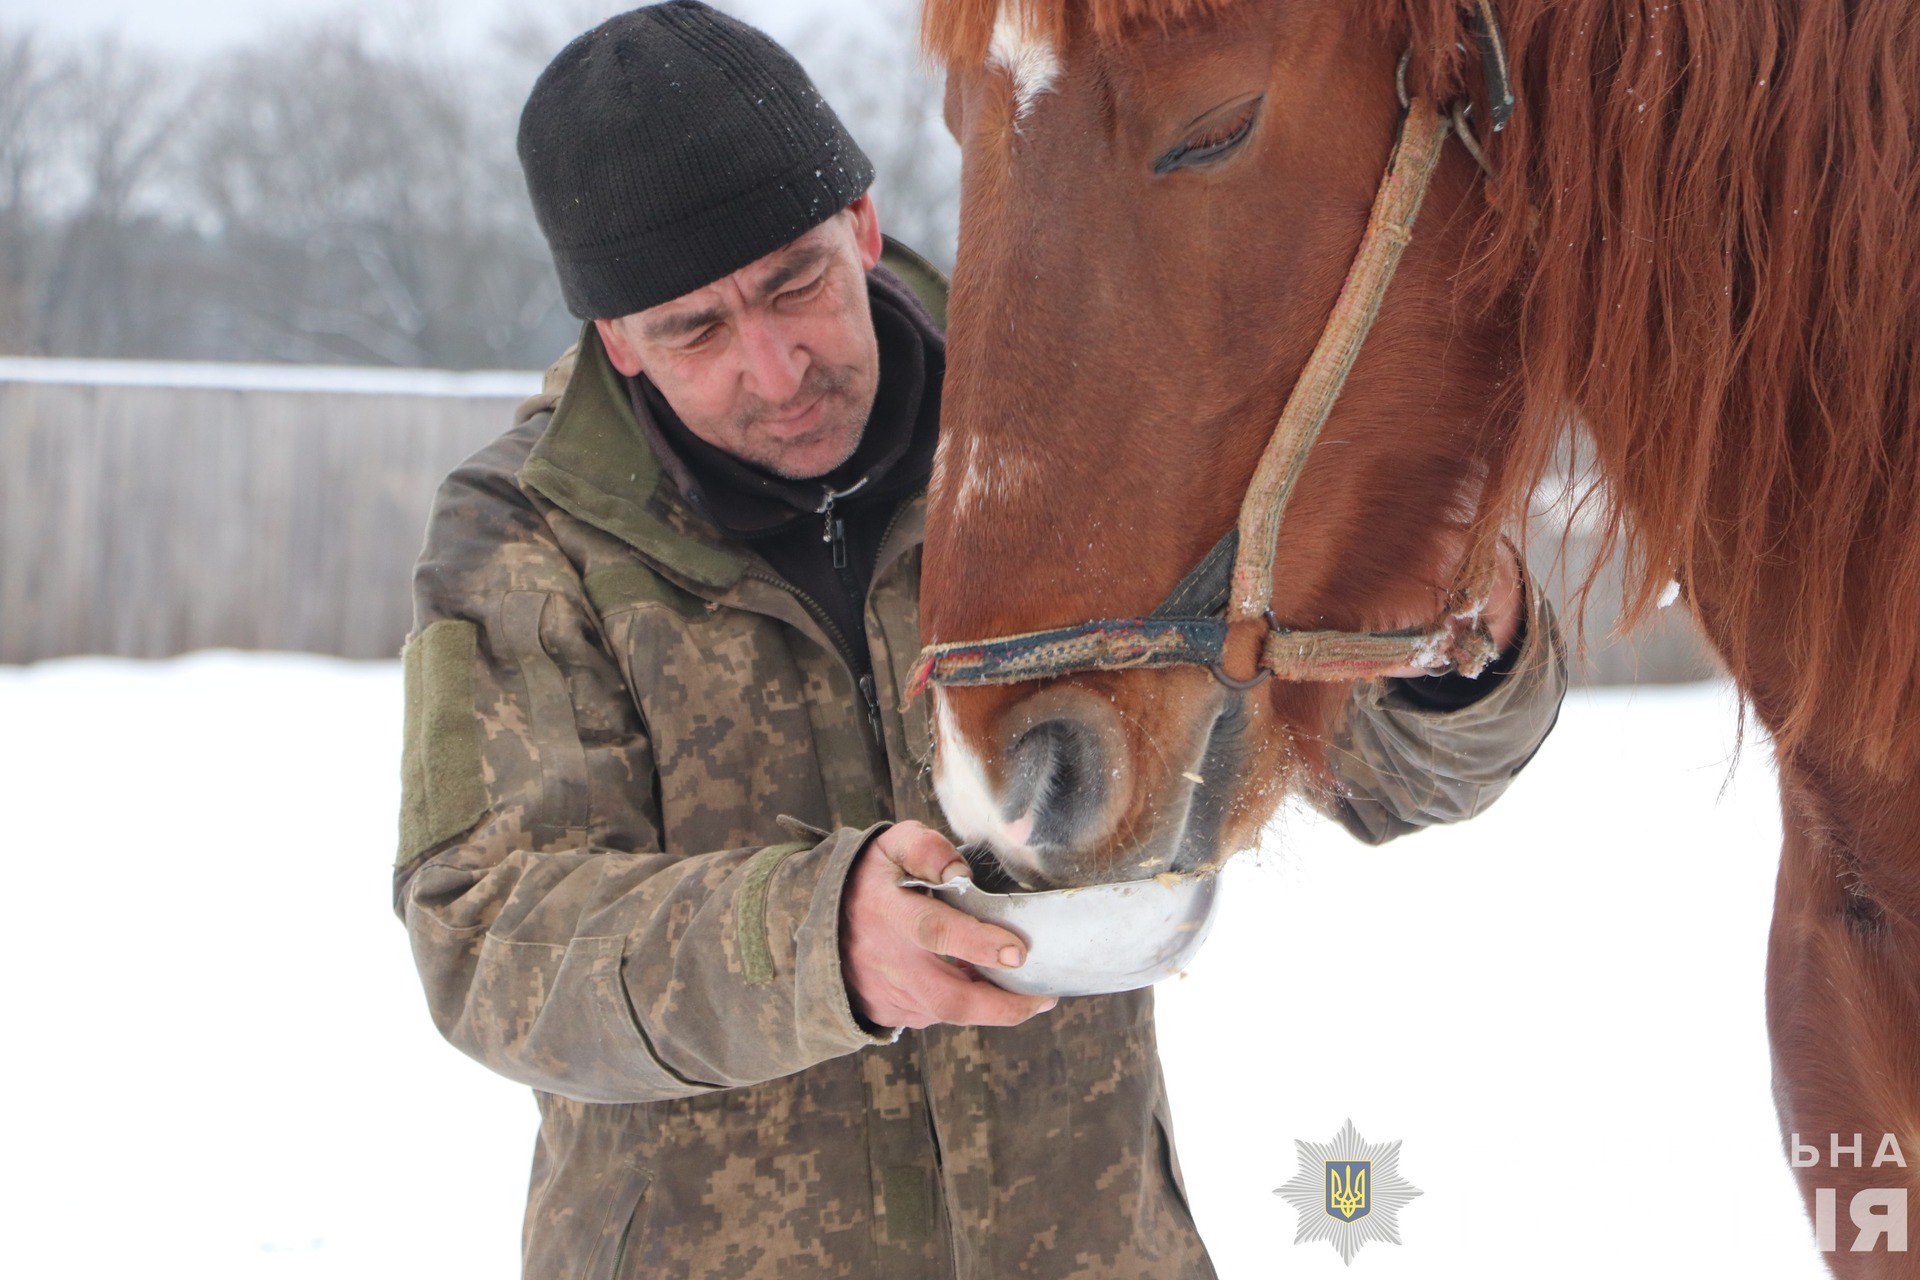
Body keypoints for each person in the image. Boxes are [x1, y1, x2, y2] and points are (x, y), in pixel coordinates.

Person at [389, 4, 1569, 1276]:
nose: (776, 369)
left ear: (862, 225)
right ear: (616, 340)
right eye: (697, 330)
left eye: (796, 284)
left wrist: (1460, 653)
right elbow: (487, 936)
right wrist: (815, 942)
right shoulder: (529, 532)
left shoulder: (1066, 439)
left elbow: (1377, 779)